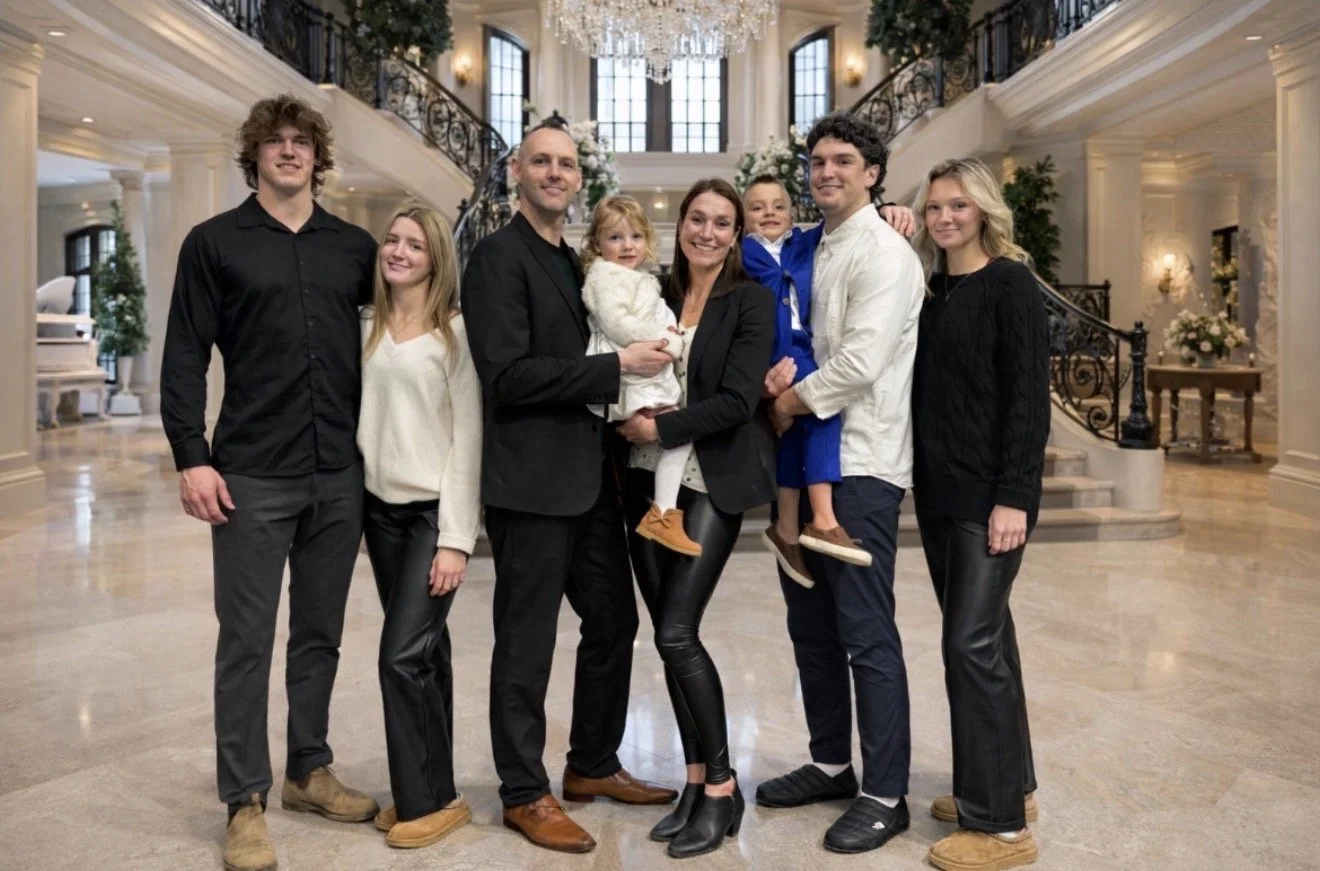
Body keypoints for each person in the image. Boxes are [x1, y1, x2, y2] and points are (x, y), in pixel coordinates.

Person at [161, 94, 379, 871]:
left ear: (318, 156)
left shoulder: (355, 247)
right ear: (254, 155)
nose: (289, 151)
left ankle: (308, 771)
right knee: (246, 641)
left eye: (301, 141)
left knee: (320, 633)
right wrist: (192, 454)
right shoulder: (213, 243)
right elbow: (184, 354)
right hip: (250, 473)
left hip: (339, 474)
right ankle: (244, 800)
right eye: (275, 141)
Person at [460, 119, 678, 854]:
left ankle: (591, 763)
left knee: (614, 621)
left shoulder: (569, 259)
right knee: (525, 643)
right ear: (517, 171)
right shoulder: (497, 258)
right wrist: (617, 368)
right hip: (529, 484)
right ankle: (524, 791)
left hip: (589, 482)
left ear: (579, 179)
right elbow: (507, 376)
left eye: (566, 164)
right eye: (541, 162)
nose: (554, 173)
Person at [756, 112, 926, 855]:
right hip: (804, 460)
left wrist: (784, 404)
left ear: (873, 173)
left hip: (860, 465)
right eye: (818, 161)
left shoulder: (885, 252)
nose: (827, 171)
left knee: (865, 632)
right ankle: (831, 762)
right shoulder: (812, 244)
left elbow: (858, 363)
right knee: (811, 627)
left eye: (844, 161)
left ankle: (886, 794)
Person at [618, 178, 776, 859]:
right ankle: (693, 780)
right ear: (679, 224)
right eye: (697, 219)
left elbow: (739, 400)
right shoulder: (655, 293)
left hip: (710, 480)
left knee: (678, 631)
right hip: (644, 480)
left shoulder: (750, 301)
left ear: (736, 235)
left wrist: (659, 426)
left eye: (721, 223)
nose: (706, 232)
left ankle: (721, 786)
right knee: (665, 636)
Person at [911, 158, 1049, 871]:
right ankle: (1008, 785)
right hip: (940, 494)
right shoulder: (932, 291)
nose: (945, 217)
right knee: (991, 642)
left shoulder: (1010, 284)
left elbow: (1027, 399)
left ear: (984, 210)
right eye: (935, 206)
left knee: (968, 646)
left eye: (958, 205)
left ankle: (1000, 831)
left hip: (991, 498)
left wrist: (1014, 497)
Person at [356, 203, 481, 849]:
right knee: (426, 654)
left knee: (399, 657)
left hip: (432, 516)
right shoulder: (368, 324)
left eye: (415, 245)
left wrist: (456, 539)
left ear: (436, 259)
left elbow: (468, 440)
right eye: (393, 240)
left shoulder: (454, 334)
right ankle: (431, 790)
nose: (399, 252)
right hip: (379, 513)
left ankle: (428, 799)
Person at [742, 174, 866, 584]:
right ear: (744, 218)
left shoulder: (805, 243)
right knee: (822, 405)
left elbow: (848, 225)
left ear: (792, 213)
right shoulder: (739, 254)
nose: (769, 213)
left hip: (803, 345)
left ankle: (787, 527)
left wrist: (889, 212)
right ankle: (824, 518)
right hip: (772, 353)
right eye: (757, 207)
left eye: (778, 206)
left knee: (794, 432)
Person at [580, 195, 700, 557]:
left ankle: (663, 512)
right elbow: (619, 325)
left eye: (635, 236)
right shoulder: (605, 277)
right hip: (629, 377)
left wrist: (670, 339)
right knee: (678, 433)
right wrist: (666, 340)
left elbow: (657, 319)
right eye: (615, 237)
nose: (627, 245)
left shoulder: (640, 279)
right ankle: (663, 514)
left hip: (646, 372)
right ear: (597, 244)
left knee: (675, 436)